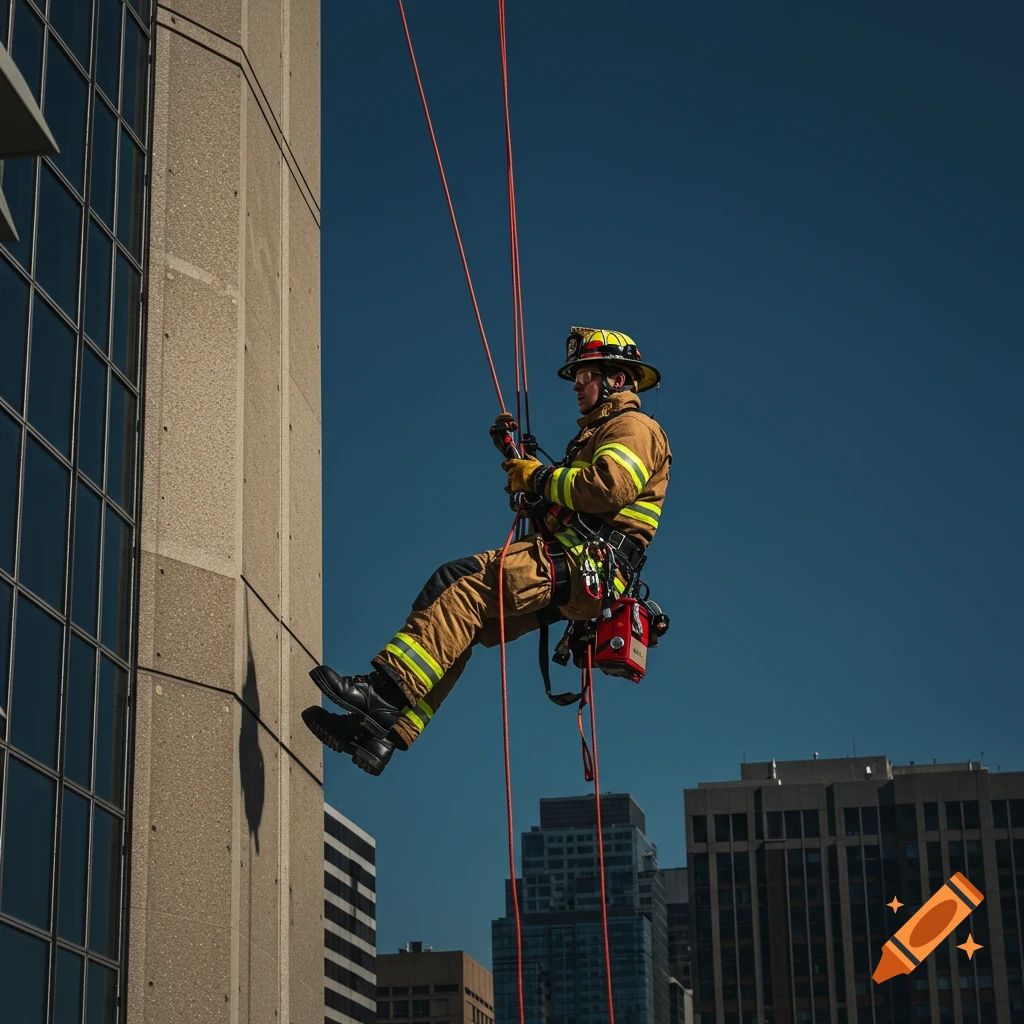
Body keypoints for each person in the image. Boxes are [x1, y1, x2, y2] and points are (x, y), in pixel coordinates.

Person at [302, 327, 672, 775]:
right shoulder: (600, 432)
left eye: (585, 374)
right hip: (579, 566)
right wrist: (523, 470)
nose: (575, 384)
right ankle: (380, 735)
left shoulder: (633, 427)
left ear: (616, 379)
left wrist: (536, 478)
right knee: (457, 607)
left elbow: (607, 488)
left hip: (583, 565)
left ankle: (384, 694)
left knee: (466, 591)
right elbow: (575, 510)